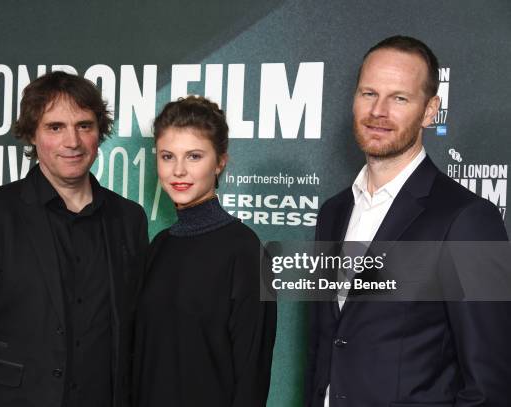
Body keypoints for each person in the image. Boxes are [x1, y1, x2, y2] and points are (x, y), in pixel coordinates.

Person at [304, 36, 511, 406]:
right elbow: (329, 344)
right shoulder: (333, 213)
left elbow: (490, 385)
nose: (378, 111)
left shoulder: (467, 220)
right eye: (369, 93)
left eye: (399, 98)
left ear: (430, 111)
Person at [0, 71, 148, 407]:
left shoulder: (128, 218)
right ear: (32, 134)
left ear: (99, 132)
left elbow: (135, 337)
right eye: (55, 127)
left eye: (84, 125)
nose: (73, 142)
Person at [132, 96, 276, 407]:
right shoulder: (159, 245)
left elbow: (252, 375)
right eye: (168, 156)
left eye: (194, 156)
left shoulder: (247, 251)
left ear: (220, 161)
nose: (178, 170)